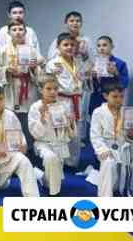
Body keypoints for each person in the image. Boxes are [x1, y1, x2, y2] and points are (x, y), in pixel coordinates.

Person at [0, 20, 43, 149]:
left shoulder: (32, 50)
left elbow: (41, 67)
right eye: (14, 30)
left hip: (28, 88)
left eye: (21, 29)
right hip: (11, 89)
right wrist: (6, 70)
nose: (18, 32)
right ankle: (13, 150)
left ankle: (30, 149)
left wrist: (34, 67)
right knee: (11, 120)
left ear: (25, 32)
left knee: (29, 120)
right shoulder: (3, 50)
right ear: (9, 32)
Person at [28, 75, 76, 195]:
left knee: (52, 178)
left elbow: (72, 134)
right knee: (51, 158)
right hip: (43, 144)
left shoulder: (64, 106)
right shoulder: (35, 107)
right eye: (48, 89)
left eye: (55, 88)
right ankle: (54, 194)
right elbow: (35, 134)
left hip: (60, 144)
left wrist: (71, 123)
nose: (53, 92)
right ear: (41, 90)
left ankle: (41, 176)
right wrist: (42, 118)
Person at [45, 33, 86, 167]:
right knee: (60, 131)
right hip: (61, 100)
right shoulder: (53, 64)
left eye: (72, 45)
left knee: (75, 131)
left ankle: (73, 162)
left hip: (76, 100)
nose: (69, 47)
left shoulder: (78, 62)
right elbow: (47, 84)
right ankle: (58, 162)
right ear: (58, 47)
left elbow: (83, 80)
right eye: (65, 45)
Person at [90, 82, 133, 197]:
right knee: (109, 163)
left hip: (122, 146)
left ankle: (119, 189)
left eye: (121, 96)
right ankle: (105, 197)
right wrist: (103, 149)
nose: (119, 100)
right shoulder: (98, 112)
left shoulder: (127, 112)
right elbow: (95, 135)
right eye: (114, 96)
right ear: (105, 96)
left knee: (124, 171)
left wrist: (130, 136)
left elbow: (131, 137)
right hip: (106, 146)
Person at [89, 36, 129, 114]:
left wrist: (116, 73)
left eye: (104, 45)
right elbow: (88, 87)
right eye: (98, 46)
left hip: (113, 100)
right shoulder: (93, 63)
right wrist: (92, 77)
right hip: (96, 100)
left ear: (112, 47)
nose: (101, 48)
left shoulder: (120, 63)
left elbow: (124, 84)